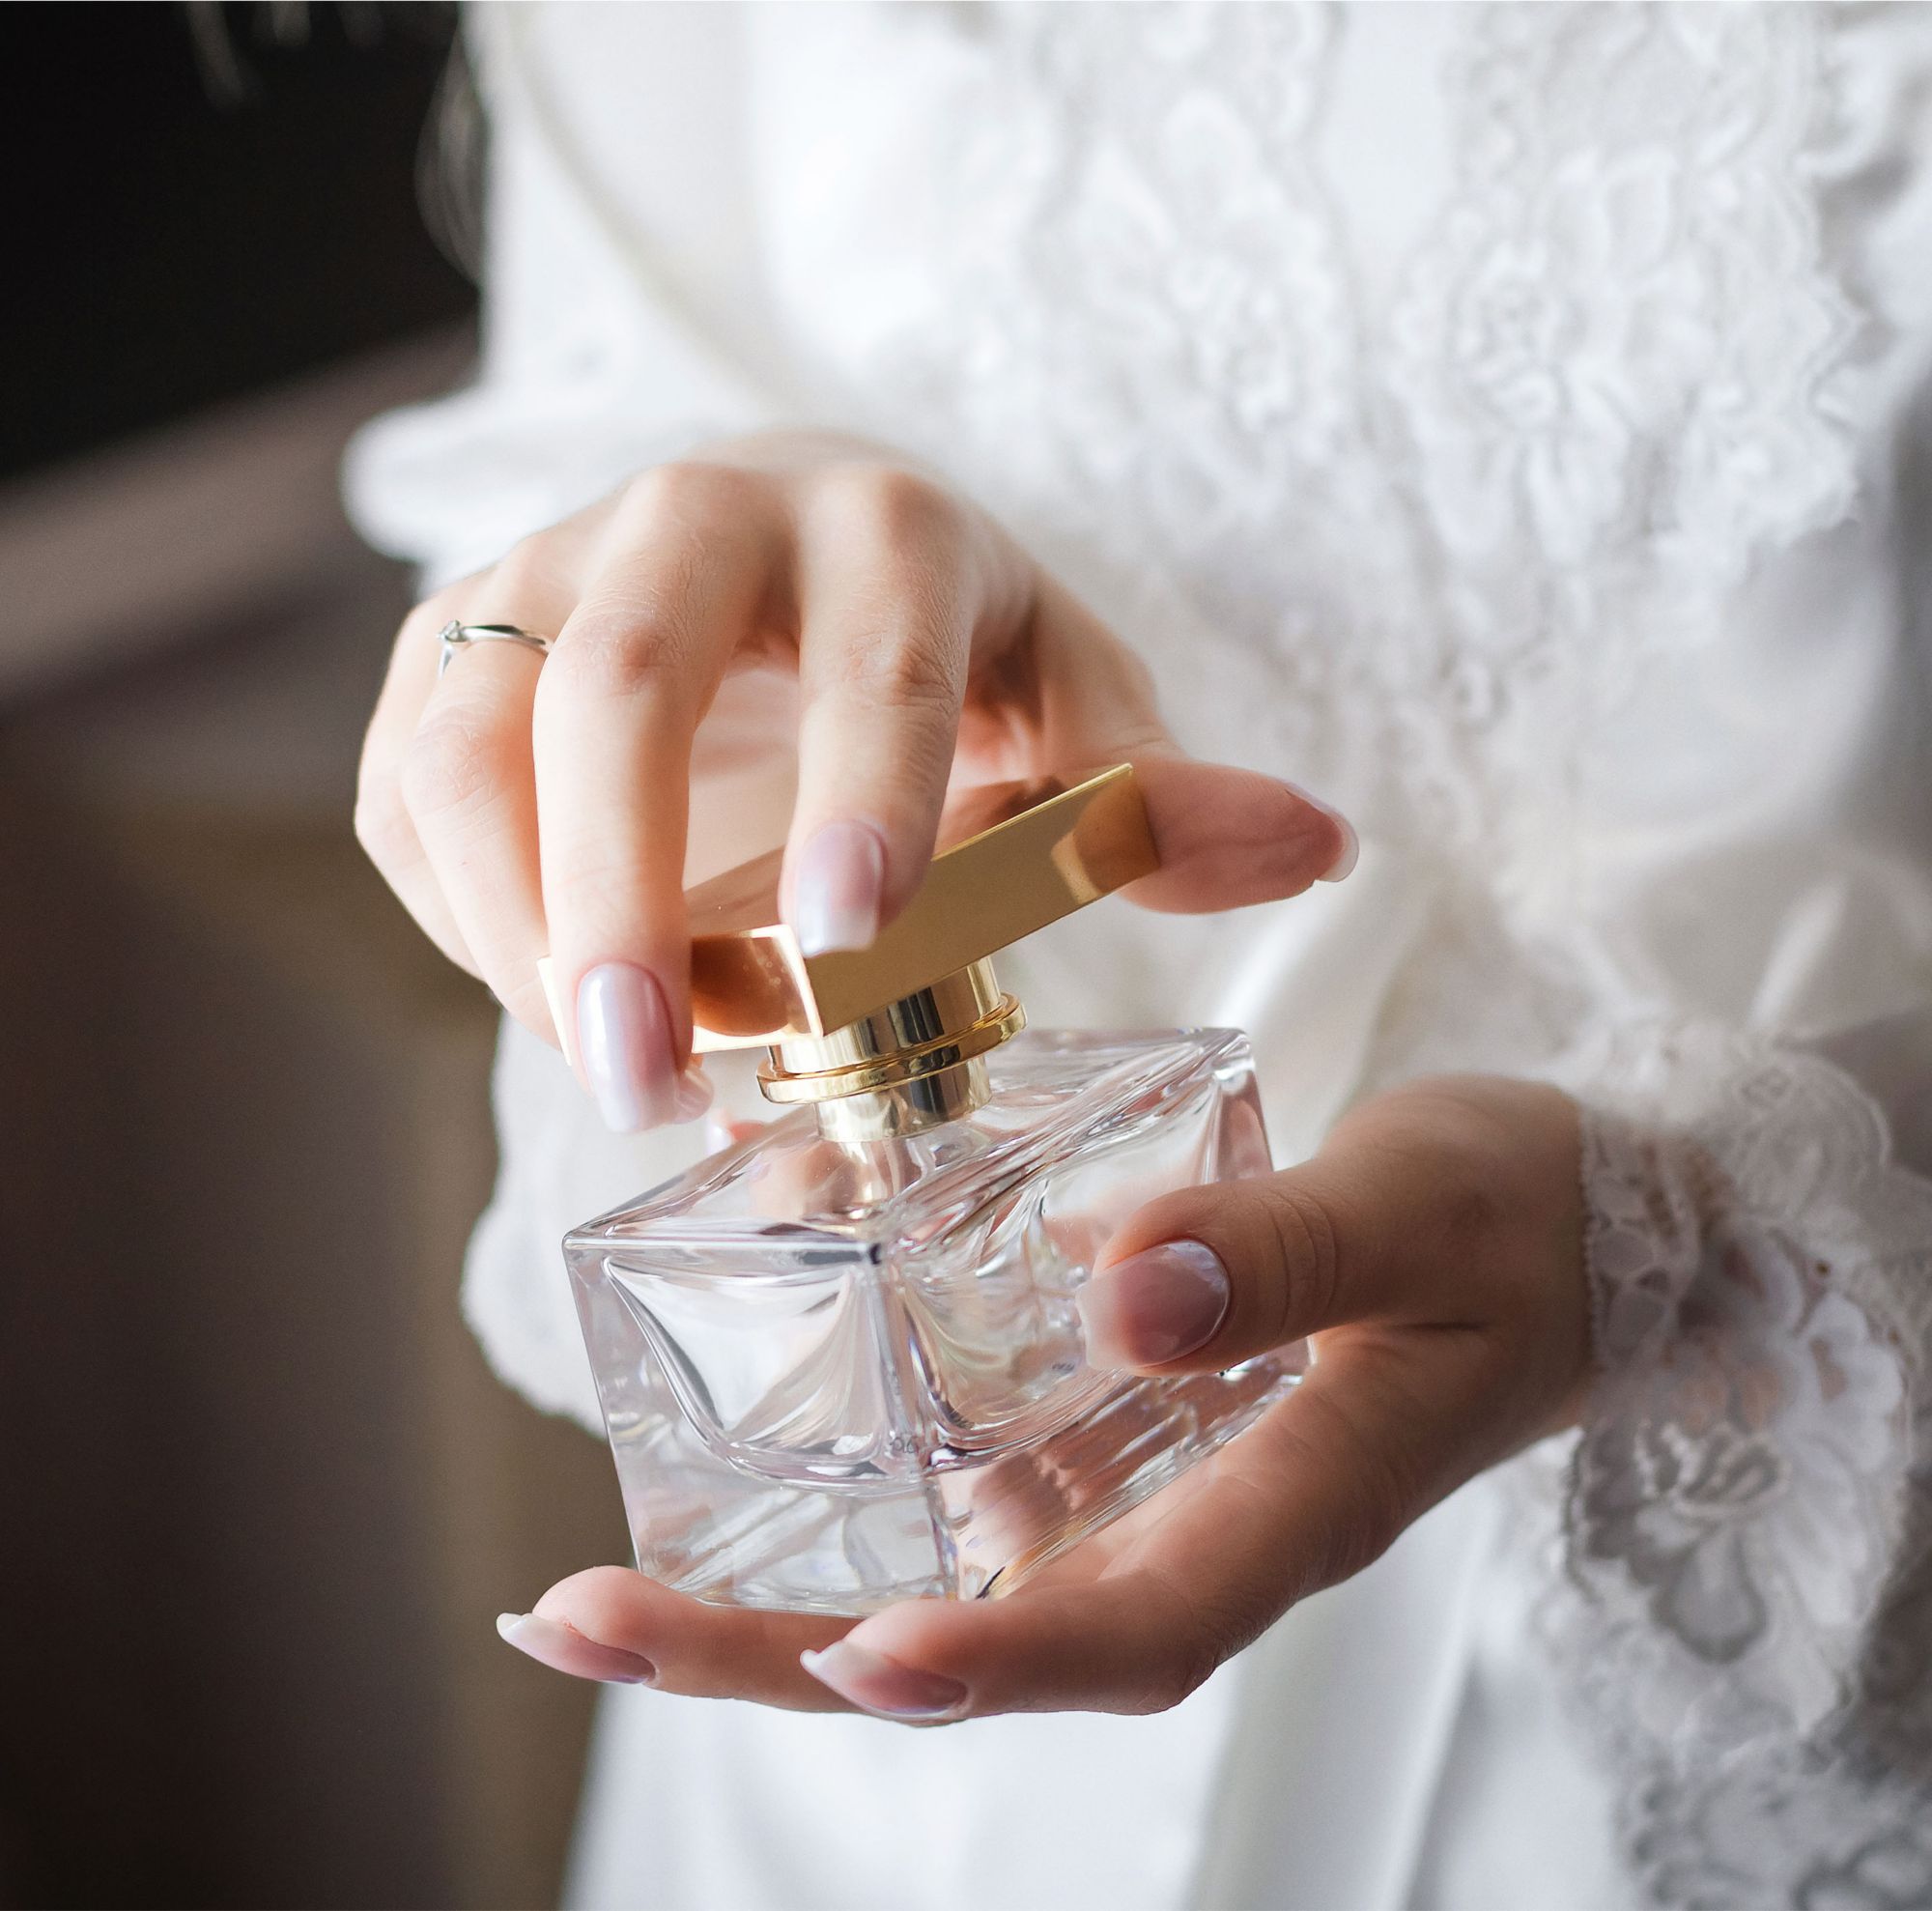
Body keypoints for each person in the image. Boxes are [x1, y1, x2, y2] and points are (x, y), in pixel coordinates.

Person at [349, 7, 1932, 1907]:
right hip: (889, 1782)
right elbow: (616, 396)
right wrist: (679, 643)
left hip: (1732, 1650)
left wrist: (1696, 1224)